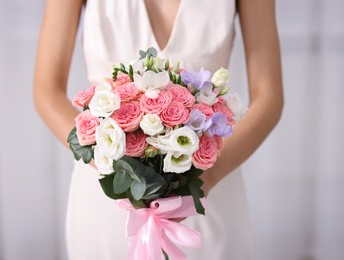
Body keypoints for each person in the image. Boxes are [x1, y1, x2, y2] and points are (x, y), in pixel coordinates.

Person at [33, 0, 283, 259]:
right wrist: (117, 168)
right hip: (108, 190)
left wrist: (202, 180)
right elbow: (46, 89)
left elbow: (269, 96)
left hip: (210, 187)